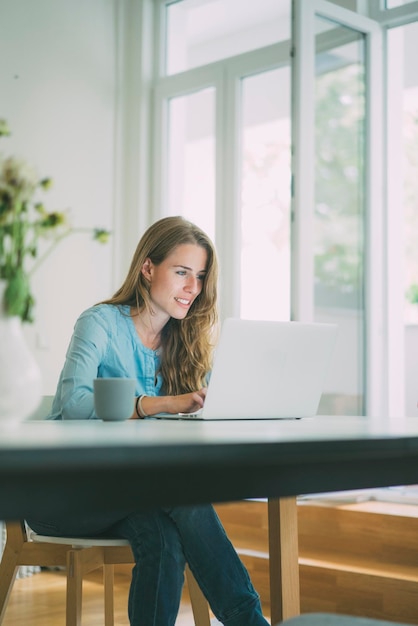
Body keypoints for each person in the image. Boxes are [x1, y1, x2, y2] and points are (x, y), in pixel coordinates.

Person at [26, 216, 270, 626]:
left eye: (200, 276)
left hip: (132, 493)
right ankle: (249, 621)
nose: (193, 287)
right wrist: (158, 404)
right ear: (148, 268)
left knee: (162, 533)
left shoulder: (185, 342)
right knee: (181, 496)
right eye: (181, 272)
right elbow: (73, 403)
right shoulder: (100, 322)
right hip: (63, 493)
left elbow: (205, 409)